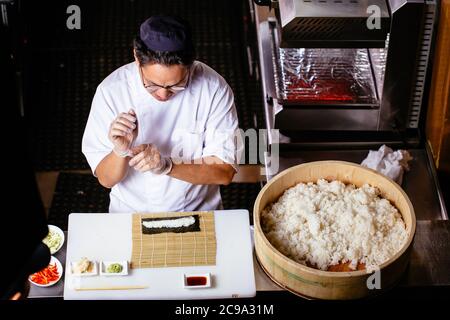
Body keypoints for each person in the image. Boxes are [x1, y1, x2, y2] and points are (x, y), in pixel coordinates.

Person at [82, 15, 240, 213]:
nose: (163, 94)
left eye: (176, 85)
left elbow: (224, 172)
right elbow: (106, 179)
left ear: (190, 64)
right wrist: (120, 150)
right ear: (137, 58)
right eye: (152, 85)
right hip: (129, 212)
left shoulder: (213, 89)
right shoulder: (112, 91)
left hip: (196, 210)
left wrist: (166, 166)